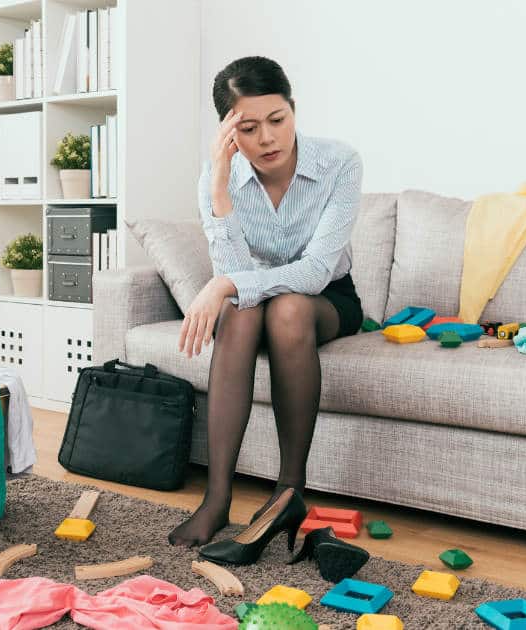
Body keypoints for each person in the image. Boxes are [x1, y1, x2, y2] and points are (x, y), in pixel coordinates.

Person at [168, 56, 365, 552]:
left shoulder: (340, 164)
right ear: (229, 132)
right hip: (251, 306)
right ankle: (217, 499)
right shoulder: (218, 180)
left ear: (293, 110)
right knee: (242, 309)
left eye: (277, 120)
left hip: (325, 299)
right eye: (249, 128)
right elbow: (234, 265)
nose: (267, 139)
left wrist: (223, 285)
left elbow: (317, 270)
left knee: (288, 307)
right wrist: (218, 186)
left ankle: (288, 491)